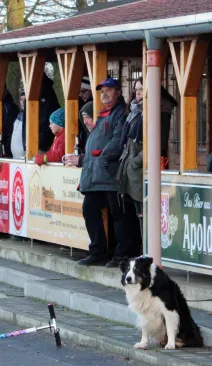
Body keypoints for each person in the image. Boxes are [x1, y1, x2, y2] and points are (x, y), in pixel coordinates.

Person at [75, 78, 139, 268]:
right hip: (97, 174)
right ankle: (98, 251)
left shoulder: (120, 113)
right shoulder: (103, 113)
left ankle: (123, 255)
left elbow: (118, 140)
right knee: (90, 209)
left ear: (118, 92)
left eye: (108, 90)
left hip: (111, 173)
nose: (104, 94)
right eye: (102, 91)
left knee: (119, 215)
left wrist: (102, 157)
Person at [116, 79, 146, 235]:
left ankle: (148, 253)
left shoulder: (150, 113)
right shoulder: (133, 113)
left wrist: (135, 162)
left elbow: (154, 144)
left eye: (142, 89)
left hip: (139, 172)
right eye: (136, 89)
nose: (138, 92)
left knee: (144, 215)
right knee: (138, 214)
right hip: (131, 171)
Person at [9, 89, 26, 159]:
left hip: (26, 158)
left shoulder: (33, 117)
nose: (23, 102)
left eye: (25, 99)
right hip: (15, 157)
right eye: (21, 99)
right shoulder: (18, 115)